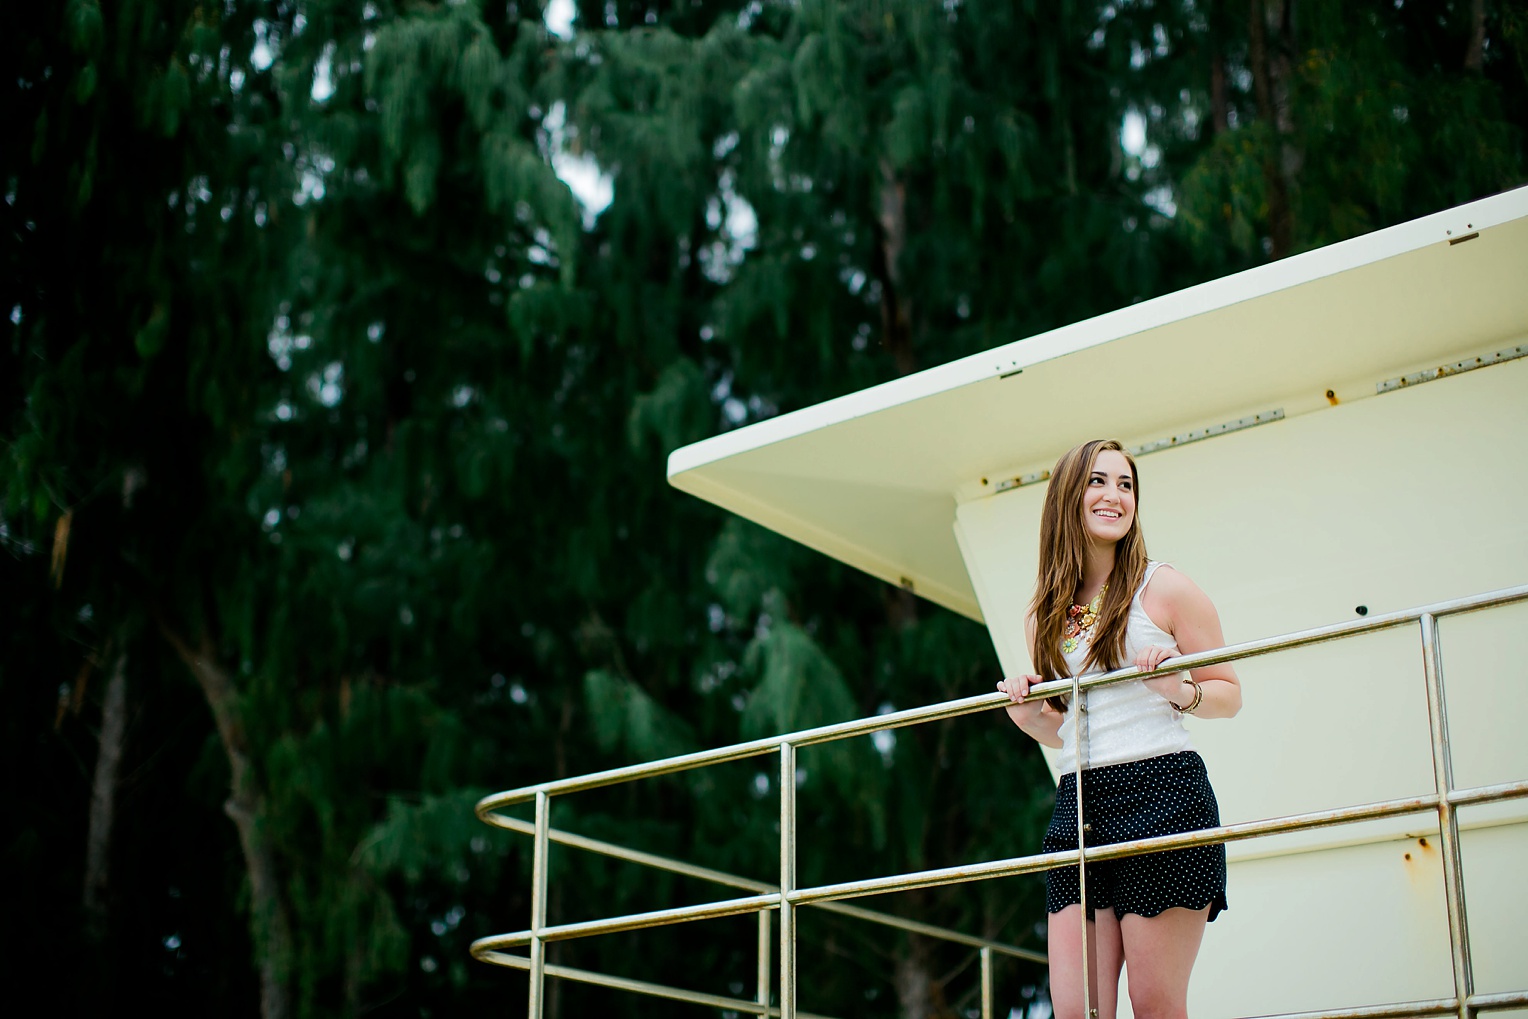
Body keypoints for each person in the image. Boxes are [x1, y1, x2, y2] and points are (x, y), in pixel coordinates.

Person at [997, 438, 1241, 1019]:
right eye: (1098, 482)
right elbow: (1068, 732)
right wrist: (1032, 719)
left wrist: (1180, 691)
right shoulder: (1044, 613)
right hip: (1078, 802)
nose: (1115, 496)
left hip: (1165, 792)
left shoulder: (1166, 587)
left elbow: (1228, 695)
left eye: (1126, 484)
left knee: (1153, 1004)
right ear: (1067, 499)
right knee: (1078, 1009)